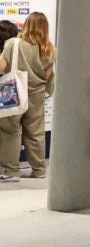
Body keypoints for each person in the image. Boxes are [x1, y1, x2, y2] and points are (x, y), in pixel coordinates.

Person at [0, 11, 53, 180]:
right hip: (36, 94)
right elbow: (47, 76)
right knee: (36, 133)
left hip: (13, 92)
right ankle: (39, 170)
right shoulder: (50, 48)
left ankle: (11, 171)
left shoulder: (13, 43)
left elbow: (1, 67)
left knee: (10, 132)